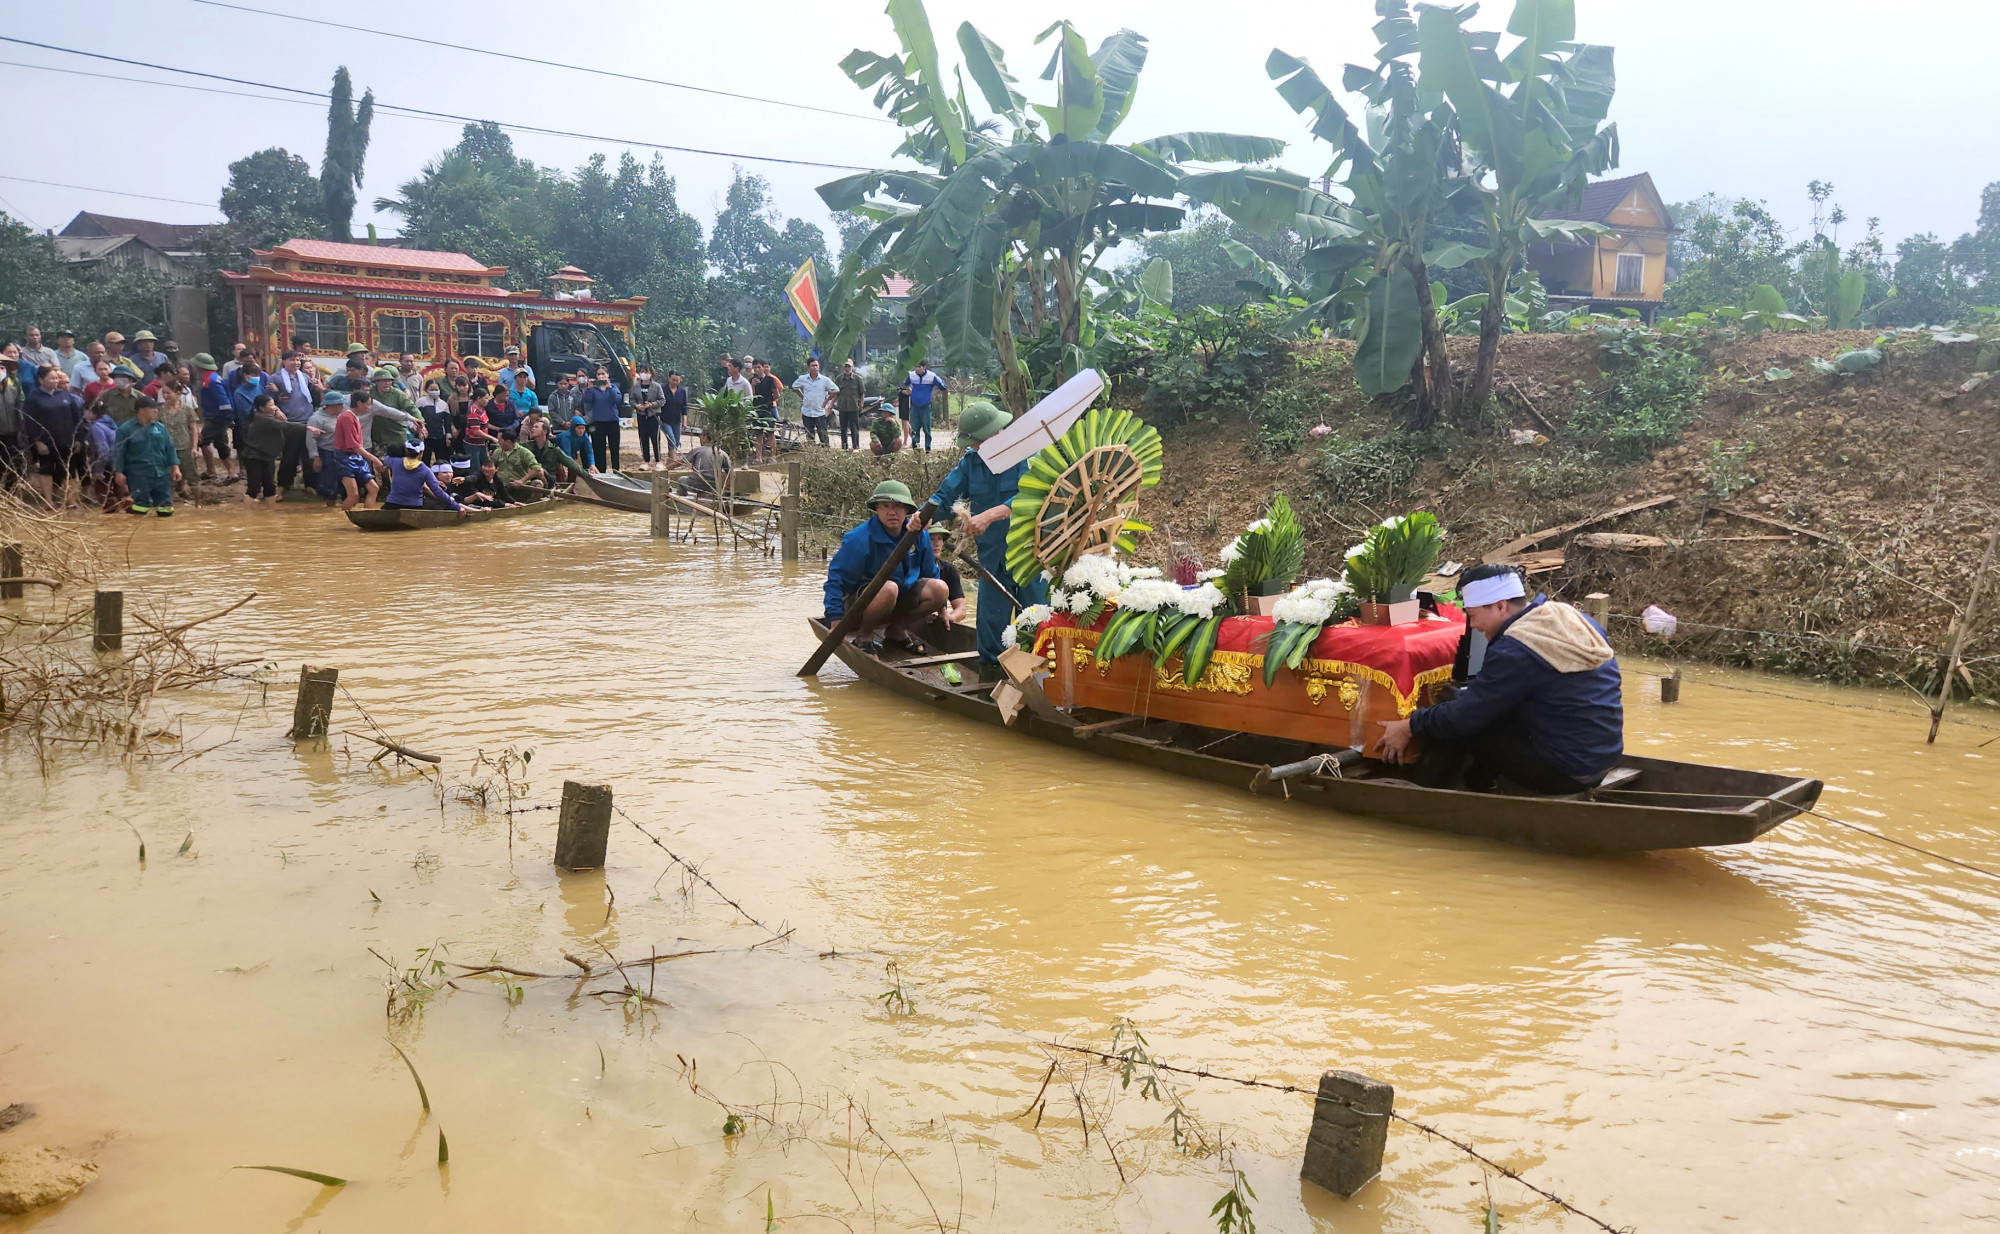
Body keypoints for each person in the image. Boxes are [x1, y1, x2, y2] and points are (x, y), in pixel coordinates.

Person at [1376, 564, 1624, 793]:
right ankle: (1481, 784)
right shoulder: (1575, 620)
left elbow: (1464, 718)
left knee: (1453, 724)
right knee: (1470, 709)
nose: (1472, 625)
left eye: (1472, 615)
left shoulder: (1516, 649)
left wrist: (1410, 725)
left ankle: (1431, 797)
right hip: (1603, 758)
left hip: (1567, 772)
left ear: (1500, 606)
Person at [921, 400, 1046, 667]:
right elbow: (945, 497)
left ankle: (1043, 686)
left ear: (996, 432)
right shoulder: (972, 462)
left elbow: (1034, 496)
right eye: (972, 444)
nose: (974, 448)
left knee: (1039, 626)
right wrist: (921, 517)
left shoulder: (1027, 454)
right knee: (991, 629)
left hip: (1031, 558)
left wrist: (991, 514)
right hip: (992, 560)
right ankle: (991, 688)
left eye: (977, 442)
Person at [823, 480, 947, 654]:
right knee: (889, 588)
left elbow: (930, 574)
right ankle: (864, 635)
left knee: (940, 588)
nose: (891, 512)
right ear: (877, 509)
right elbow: (836, 581)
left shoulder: (919, 535)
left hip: (898, 600)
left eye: (897, 507)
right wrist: (835, 621)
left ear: (907, 510)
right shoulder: (859, 538)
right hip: (860, 605)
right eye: (885, 506)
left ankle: (897, 629)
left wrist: (942, 608)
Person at [23, 363, 85, 506]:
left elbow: (77, 419)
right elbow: (29, 422)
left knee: (69, 470)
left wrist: (79, 439)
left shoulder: (65, 395)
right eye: (51, 378)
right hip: (45, 442)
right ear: (41, 380)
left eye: (56, 378)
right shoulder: (33, 398)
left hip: (67, 440)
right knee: (46, 470)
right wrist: (37, 442)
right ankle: (48, 501)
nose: (55, 381)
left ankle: (71, 500)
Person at [110, 398, 181, 516]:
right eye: (153, 408)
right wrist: (119, 472)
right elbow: (119, 453)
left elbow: (170, 448)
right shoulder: (125, 430)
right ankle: (140, 532)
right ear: (142, 410)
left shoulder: (160, 428)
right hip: (138, 475)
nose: (156, 411)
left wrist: (175, 467)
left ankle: (165, 531)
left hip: (160, 474)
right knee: (140, 507)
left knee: (166, 508)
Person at [155, 365, 200, 499]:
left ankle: (198, 504)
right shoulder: (159, 411)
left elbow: (194, 429)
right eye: (163, 393)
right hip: (166, 449)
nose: (165, 396)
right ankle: (168, 503)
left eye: (168, 393)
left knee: (193, 477)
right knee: (167, 479)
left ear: (178, 394)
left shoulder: (186, 409)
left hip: (185, 447)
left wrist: (194, 447)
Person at [192, 352, 237, 483]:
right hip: (218, 417)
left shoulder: (211, 381)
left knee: (202, 441)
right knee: (221, 444)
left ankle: (211, 471)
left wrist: (226, 417)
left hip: (217, 418)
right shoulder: (212, 378)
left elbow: (223, 402)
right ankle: (231, 473)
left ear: (200, 367)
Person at [380, 444, 463, 511]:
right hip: (414, 506)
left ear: (406, 451)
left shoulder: (394, 461)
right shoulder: (425, 470)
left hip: (392, 504)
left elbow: (384, 459)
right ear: (421, 453)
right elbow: (437, 491)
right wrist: (457, 507)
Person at [240, 393, 287, 506]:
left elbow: (283, 422)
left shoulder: (269, 417)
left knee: (270, 485)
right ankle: (246, 516)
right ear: (261, 408)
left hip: (267, 455)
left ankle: (271, 513)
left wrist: (277, 411)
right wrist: (308, 428)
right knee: (254, 487)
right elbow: (287, 426)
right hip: (253, 456)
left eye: (274, 405)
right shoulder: (262, 418)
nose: (274, 407)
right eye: (271, 405)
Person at [581, 366, 623, 474]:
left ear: (608, 375)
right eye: (599, 374)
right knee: (599, 449)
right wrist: (589, 388)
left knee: (614, 448)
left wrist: (609, 388)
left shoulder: (613, 387)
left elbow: (617, 400)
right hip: (598, 422)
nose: (601, 376)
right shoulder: (594, 389)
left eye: (603, 374)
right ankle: (601, 471)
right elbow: (587, 400)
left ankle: (616, 470)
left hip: (612, 421)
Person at [900, 360, 947, 452]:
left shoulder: (931, 376)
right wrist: (909, 391)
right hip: (914, 406)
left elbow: (943, 386)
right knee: (914, 428)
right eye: (916, 367)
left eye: (919, 367)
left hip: (925, 406)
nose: (917, 369)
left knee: (926, 428)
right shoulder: (912, 375)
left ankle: (928, 449)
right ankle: (915, 448)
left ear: (924, 367)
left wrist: (933, 394)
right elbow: (905, 385)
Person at [927, 525, 968, 625]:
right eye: (931, 539)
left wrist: (950, 617)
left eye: (939, 539)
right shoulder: (911, 566)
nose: (936, 543)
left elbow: (961, 609)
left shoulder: (949, 570)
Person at [527, 419, 589, 484]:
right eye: (533, 427)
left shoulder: (554, 450)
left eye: (536, 427)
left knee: (539, 471)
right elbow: (516, 446)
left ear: (544, 431)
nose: (533, 429)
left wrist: (586, 474)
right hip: (531, 477)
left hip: (548, 480)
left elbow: (571, 464)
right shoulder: (527, 446)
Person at [793, 356, 836, 448]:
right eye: (813, 366)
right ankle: (812, 453)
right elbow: (794, 387)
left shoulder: (825, 380)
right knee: (809, 434)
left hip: (819, 412)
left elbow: (836, 390)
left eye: (817, 365)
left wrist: (826, 401)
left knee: (823, 434)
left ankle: (825, 453)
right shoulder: (803, 379)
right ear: (808, 367)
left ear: (819, 366)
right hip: (807, 411)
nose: (815, 367)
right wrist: (802, 396)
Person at [678, 424, 729, 496]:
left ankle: (681, 502)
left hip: (697, 484)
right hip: (714, 487)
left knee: (681, 480)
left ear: (705, 437)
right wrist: (727, 486)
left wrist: (666, 468)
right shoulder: (723, 453)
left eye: (701, 436)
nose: (700, 439)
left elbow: (678, 462)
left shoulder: (698, 450)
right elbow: (731, 473)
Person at [630, 365, 666, 465]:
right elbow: (631, 399)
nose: (643, 374)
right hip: (641, 415)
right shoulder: (636, 386)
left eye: (646, 372)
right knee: (643, 438)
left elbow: (662, 400)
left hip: (653, 415)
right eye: (641, 371)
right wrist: (636, 406)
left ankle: (658, 460)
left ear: (651, 373)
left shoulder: (656, 386)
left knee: (655, 438)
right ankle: (646, 460)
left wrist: (651, 405)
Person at [456, 456, 523, 507]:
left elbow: (505, 495)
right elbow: (472, 478)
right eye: (484, 466)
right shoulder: (478, 476)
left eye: (489, 466)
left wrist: (514, 502)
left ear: (496, 469)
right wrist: (464, 479)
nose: (486, 469)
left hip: (492, 505)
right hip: (476, 505)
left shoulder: (497, 480)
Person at [749, 358, 781, 463]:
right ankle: (758, 457)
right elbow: (750, 397)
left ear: (763, 367)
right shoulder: (751, 380)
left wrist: (769, 401)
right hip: (757, 410)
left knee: (771, 433)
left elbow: (776, 394)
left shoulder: (770, 380)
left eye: (759, 367)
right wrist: (753, 385)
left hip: (768, 409)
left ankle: (773, 457)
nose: (757, 369)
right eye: (755, 368)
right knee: (758, 434)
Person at [0, 346, 23, 486]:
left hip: (13, 432)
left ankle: (11, 495)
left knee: (13, 464)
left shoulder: (13, 385)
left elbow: (21, 404)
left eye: (3, 367)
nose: (1, 369)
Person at [834, 359, 865, 451]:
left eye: (849, 366)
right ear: (843, 367)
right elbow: (835, 393)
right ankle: (844, 446)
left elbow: (862, 393)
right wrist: (831, 403)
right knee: (843, 428)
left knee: (854, 428)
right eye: (846, 366)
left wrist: (861, 404)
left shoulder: (858, 379)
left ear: (852, 367)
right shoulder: (838, 379)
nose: (847, 368)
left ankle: (855, 446)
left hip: (854, 407)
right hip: (842, 407)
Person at [660, 370, 688, 460]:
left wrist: (685, 421)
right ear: (669, 379)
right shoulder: (662, 389)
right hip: (665, 420)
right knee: (672, 440)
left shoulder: (682, 391)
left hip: (677, 421)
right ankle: (674, 460)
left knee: (676, 442)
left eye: (677, 380)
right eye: (673, 380)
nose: (675, 382)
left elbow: (684, 407)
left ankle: (670, 457)